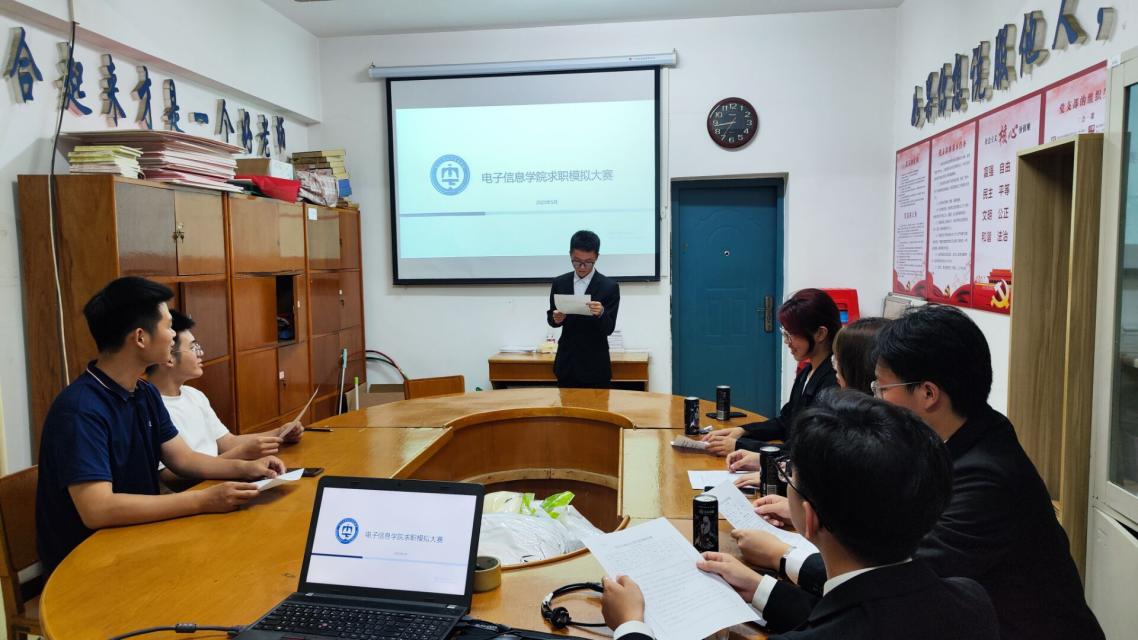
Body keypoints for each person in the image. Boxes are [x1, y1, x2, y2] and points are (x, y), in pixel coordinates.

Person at [730, 305, 1105, 640]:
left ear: (928, 393)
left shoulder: (986, 478)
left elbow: (887, 587)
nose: (875, 398)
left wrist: (784, 556)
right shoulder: (968, 434)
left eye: (881, 387)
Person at [602, 391, 1000, 640]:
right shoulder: (972, 602)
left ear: (809, 519)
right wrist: (760, 586)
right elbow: (861, 612)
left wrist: (630, 624)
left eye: (790, 474)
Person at [36, 277, 285, 574]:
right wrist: (201, 501)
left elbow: (184, 459)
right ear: (141, 338)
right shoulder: (81, 410)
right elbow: (97, 509)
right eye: (168, 326)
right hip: (87, 564)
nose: (173, 335)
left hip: (139, 538)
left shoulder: (144, 393)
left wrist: (248, 468)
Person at [147, 309, 303, 488]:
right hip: (198, 490)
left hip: (221, 480)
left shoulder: (194, 395)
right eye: (193, 347)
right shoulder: (149, 407)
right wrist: (242, 454)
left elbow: (227, 441)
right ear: (169, 358)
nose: (200, 353)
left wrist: (280, 433)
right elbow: (171, 477)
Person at [727, 317, 891, 487]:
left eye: (838, 359)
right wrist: (764, 458)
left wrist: (777, 475)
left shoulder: (857, 421)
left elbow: (831, 480)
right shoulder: (808, 374)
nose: (834, 365)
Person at [705, 289, 840, 455]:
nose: (787, 342)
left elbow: (804, 450)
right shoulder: (807, 372)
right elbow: (785, 422)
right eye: (785, 333)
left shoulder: (832, 384)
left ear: (820, 333)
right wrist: (743, 431)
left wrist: (740, 446)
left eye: (792, 334)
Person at [546, 230, 620, 388]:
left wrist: (601, 313)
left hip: (596, 365)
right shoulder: (560, 282)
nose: (581, 267)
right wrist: (556, 318)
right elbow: (552, 317)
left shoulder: (609, 287)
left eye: (588, 262)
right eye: (576, 261)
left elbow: (609, 328)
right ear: (570, 255)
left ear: (597, 257)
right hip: (567, 363)